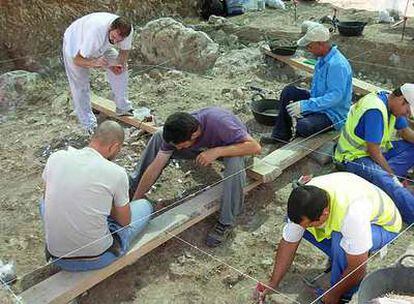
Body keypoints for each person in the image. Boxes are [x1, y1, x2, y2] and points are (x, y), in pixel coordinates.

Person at [255, 172, 401, 304]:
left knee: (341, 241)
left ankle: (345, 296)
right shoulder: (305, 199)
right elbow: (288, 242)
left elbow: (358, 269)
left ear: (324, 214)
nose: (305, 227)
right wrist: (272, 283)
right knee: (297, 225)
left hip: (384, 227)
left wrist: (333, 295)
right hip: (352, 219)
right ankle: (347, 256)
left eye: (310, 224)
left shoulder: (352, 215)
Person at [129, 107, 261, 247]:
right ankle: (134, 187)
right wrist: (136, 201)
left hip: (234, 147)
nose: (178, 149)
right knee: (158, 136)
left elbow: (255, 147)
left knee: (235, 163)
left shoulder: (220, 123)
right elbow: (156, 166)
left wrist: (217, 151)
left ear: (194, 135)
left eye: (180, 145)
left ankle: (226, 221)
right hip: (203, 148)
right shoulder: (179, 130)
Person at [41, 121, 153, 271]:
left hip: (57, 256)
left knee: (43, 204)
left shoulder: (56, 157)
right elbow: (124, 222)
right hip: (98, 258)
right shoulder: (116, 172)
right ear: (114, 147)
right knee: (145, 206)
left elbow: (46, 196)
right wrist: (107, 206)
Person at [334, 83, 414, 224]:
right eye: (407, 111)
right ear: (401, 99)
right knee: (387, 180)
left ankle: (386, 186)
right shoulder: (375, 110)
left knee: (389, 176)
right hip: (353, 158)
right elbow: (374, 152)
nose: (406, 115)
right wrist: (392, 177)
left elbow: (404, 132)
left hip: (374, 154)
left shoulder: (390, 102)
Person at [261, 24, 352, 146]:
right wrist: (307, 104)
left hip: (332, 114)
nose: (308, 49)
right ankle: (281, 135)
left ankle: (299, 134)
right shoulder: (322, 59)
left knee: (304, 126)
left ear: (321, 43)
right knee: (289, 91)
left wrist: (305, 106)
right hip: (319, 102)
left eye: (310, 46)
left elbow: (335, 97)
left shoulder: (337, 65)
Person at [63, 12, 135, 135]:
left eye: (119, 40)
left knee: (121, 69)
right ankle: (88, 123)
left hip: (100, 45)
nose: (117, 41)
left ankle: (122, 106)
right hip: (75, 45)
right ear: (110, 28)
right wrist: (95, 63)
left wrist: (118, 64)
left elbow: (124, 51)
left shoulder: (126, 31)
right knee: (81, 85)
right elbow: (78, 60)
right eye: (114, 37)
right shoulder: (95, 33)